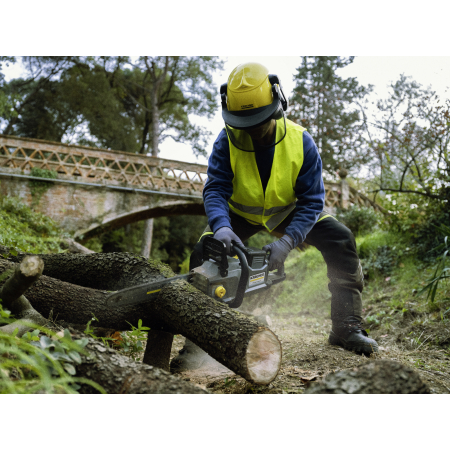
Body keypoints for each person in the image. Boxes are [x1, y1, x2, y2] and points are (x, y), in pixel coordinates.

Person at [170, 62, 378, 372]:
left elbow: (311, 201)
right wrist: (222, 226)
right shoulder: (225, 141)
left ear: (277, 106)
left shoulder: (301, 141)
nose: (253, 131)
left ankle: (347, 327)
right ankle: (199, 341)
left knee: (340, 239)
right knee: (204, 252)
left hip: (287, 211)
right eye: (245, 124)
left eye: (259, 122)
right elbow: (214, 189)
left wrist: (289, 241)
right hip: (239, 213)